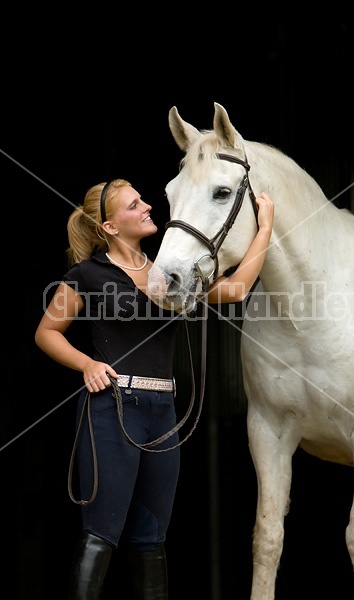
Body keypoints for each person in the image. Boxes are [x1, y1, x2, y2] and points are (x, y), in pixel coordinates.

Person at [34, 178, 274, 600]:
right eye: (134, 205)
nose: (147, 206)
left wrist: (266, 227)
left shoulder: (169, 274)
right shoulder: (88, 275)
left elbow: (235, 289)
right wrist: (87, 363)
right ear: (109, 227)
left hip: (163, 413)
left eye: (142, 199)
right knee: (103, 531)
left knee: (151, 537)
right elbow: (47, 332)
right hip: (113, 408)